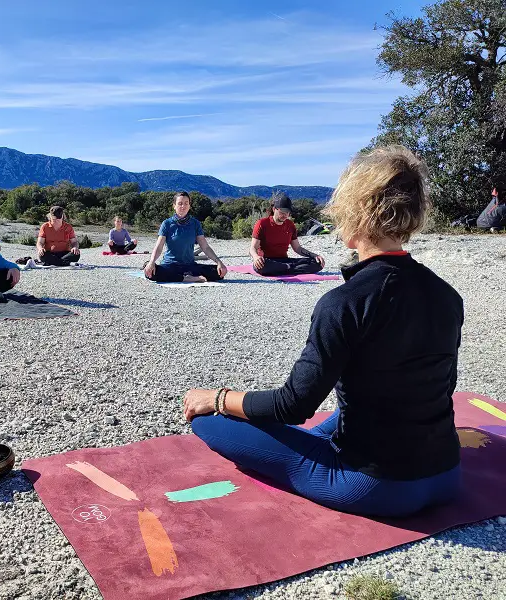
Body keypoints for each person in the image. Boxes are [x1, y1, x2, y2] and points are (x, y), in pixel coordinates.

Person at [183, 146, 463, 518]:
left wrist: (218, 397)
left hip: (376, 486)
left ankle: (255, 426)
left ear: (355, 215)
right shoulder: (448, 295)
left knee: (208, 422)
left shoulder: (344, 302)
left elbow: (293, 405)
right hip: (446, 474)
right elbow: (440, 387)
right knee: (364, 405)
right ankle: (314, 443)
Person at [144, 192, 227, 282]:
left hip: (190, 266)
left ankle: (181, 277)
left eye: (186, 203)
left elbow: (205, 247)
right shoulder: (167, 223)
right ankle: (185, 278)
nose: (183, 206)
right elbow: (159, 247)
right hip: (171, 266)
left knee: (219, 273)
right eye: (180, 203)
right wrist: (151, 262)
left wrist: (219, 262)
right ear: (174, 206)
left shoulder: (195, 223)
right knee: (150, 271)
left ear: (189, 206)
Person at [249, 193, 325, 276]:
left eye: (287, 212)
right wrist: (256, 257)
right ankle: (290, 268)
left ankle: (287, 268)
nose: (285, 215)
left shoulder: (290, 225)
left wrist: (315, 256)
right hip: (267, 261)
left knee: (317, 263)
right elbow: (253, 248)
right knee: (261, 267)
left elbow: (298, 248)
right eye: (282, 212)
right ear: (274, 209)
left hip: (284, 260)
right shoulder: (262, 223)